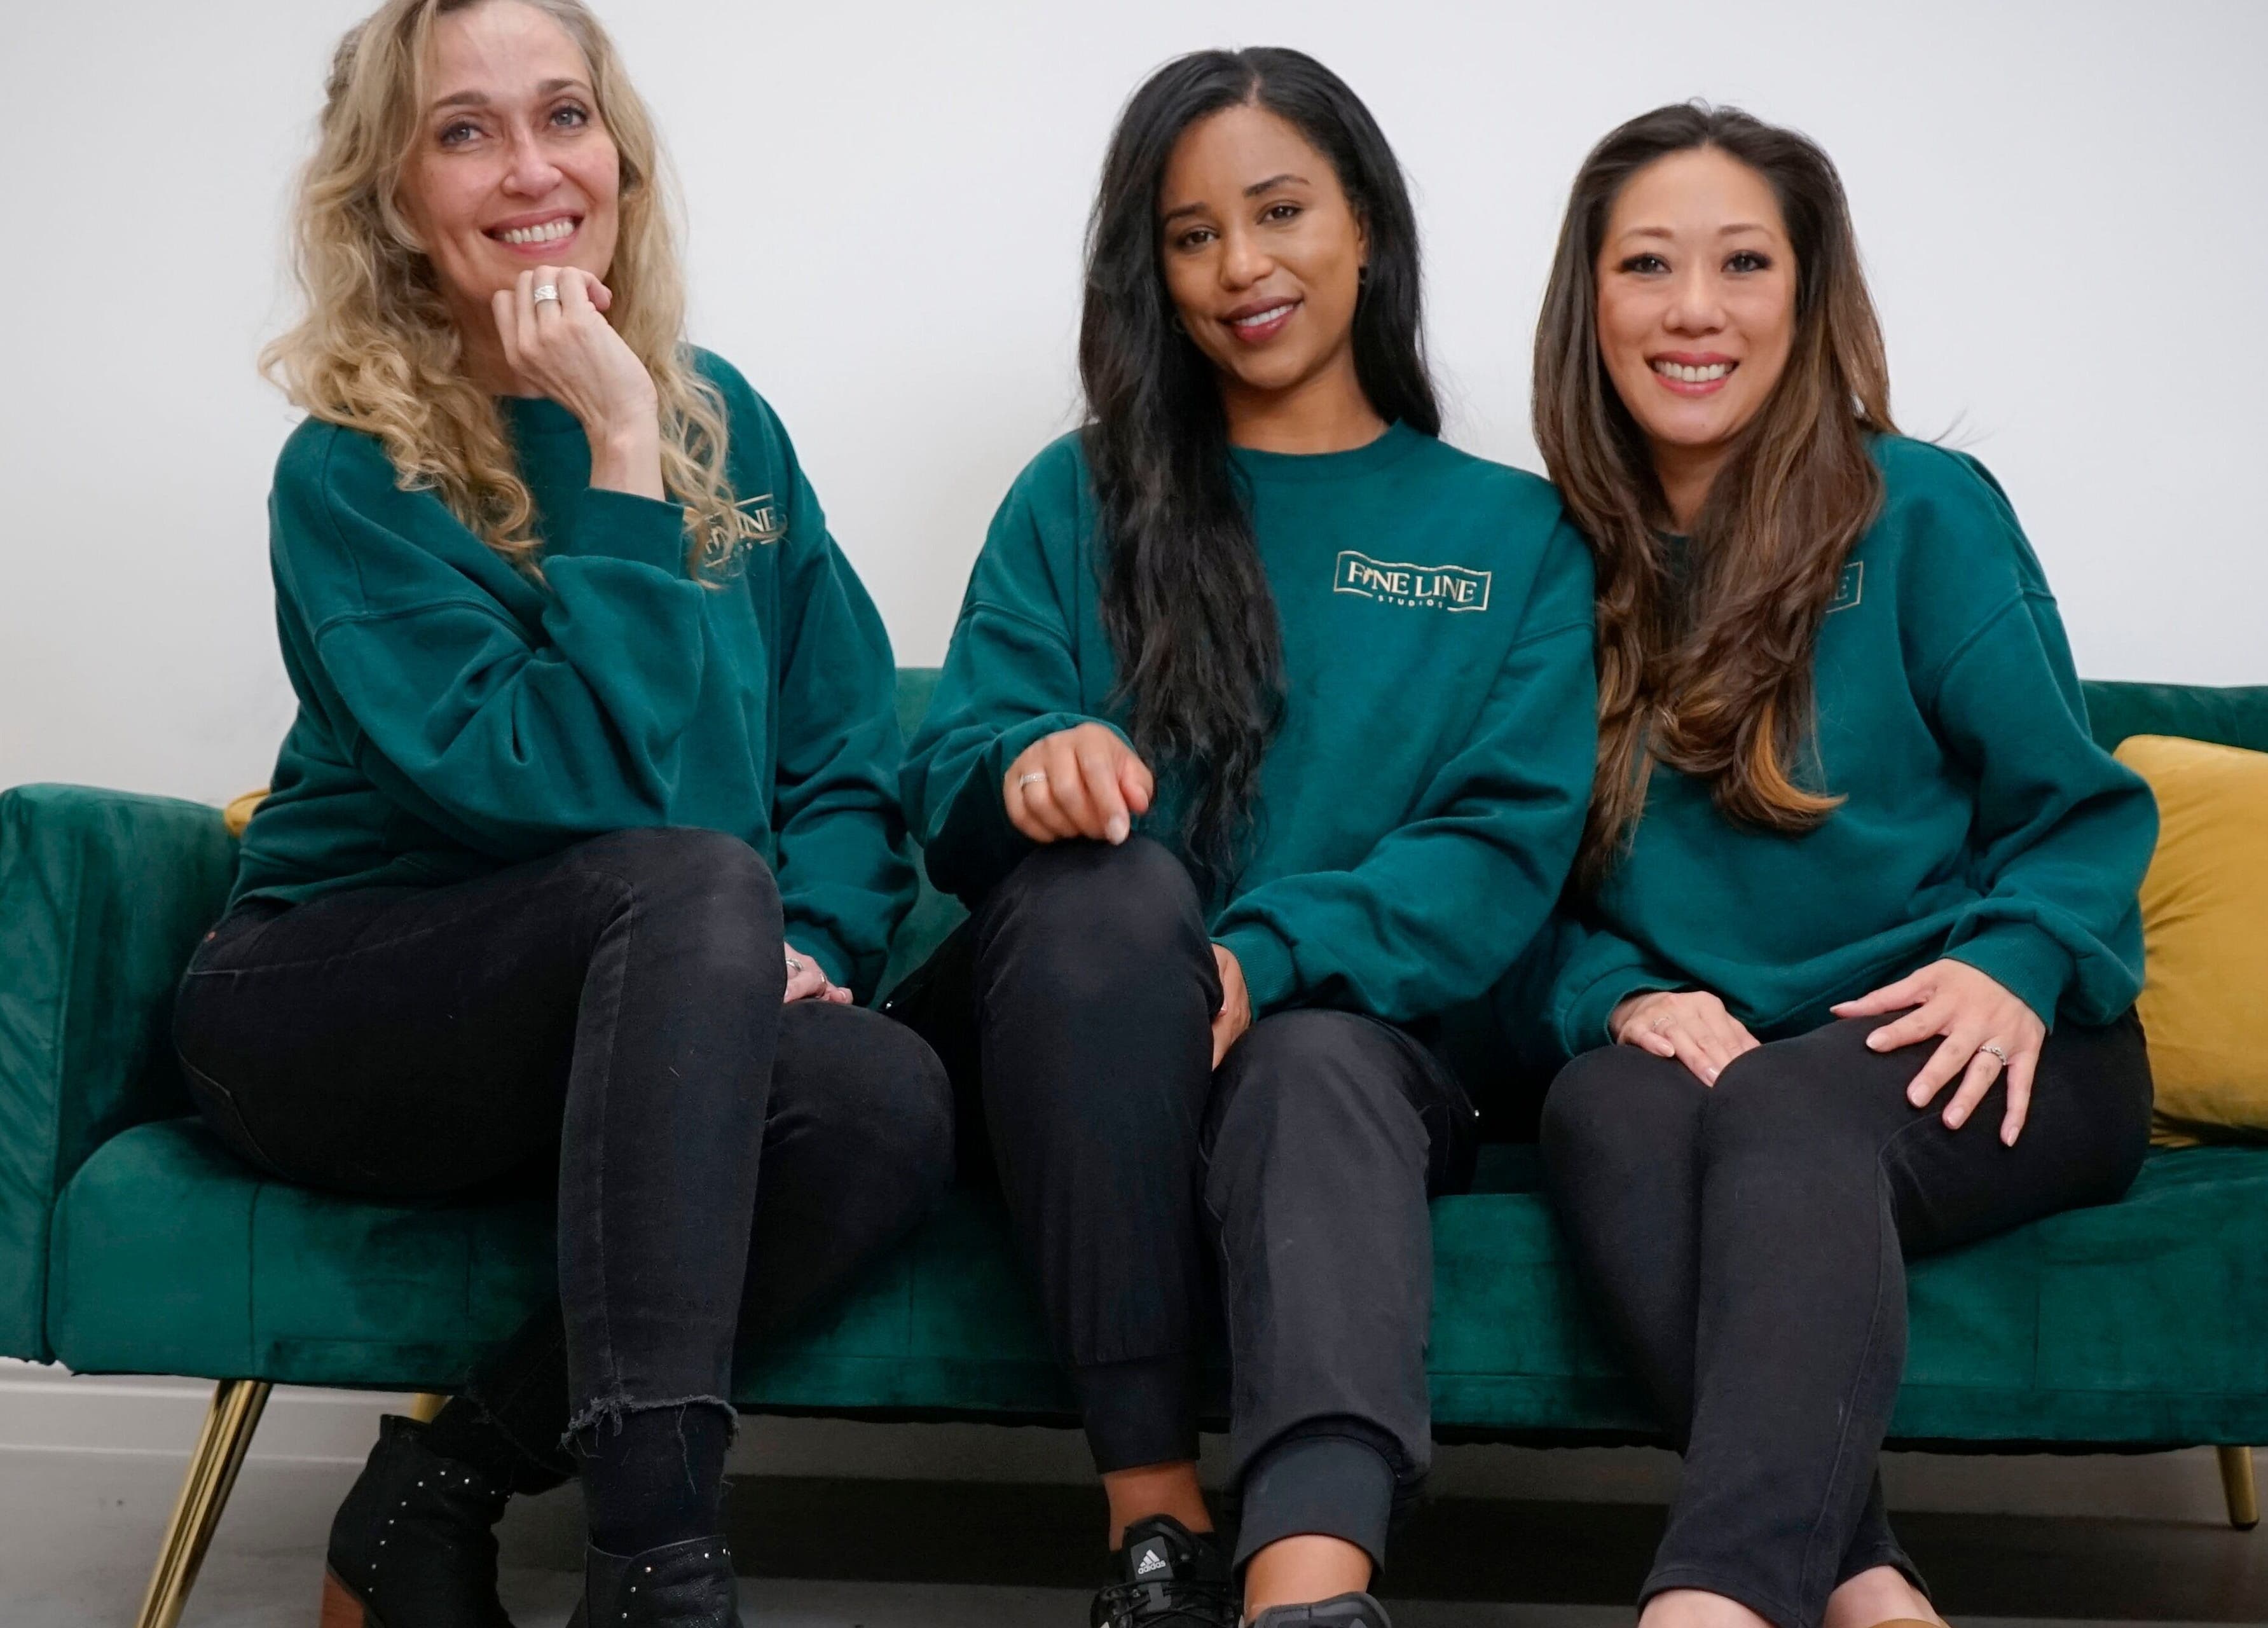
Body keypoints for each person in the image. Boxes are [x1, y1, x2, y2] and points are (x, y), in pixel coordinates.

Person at [170, 3, 951, 1625]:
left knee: (880, 1099)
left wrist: (806, 940)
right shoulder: (349, 470)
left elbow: (840, 749)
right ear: (390, 190)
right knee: (681, 886)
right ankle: (657, 1570)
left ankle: (434, 1491)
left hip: (645, 987)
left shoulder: (721, 418)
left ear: (620, 157)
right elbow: (561, 787)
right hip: (338, 1005)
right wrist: (613, 444)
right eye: (464, 130)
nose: (531, 167)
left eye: (564, 116)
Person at [895, 48, 1597, 1628]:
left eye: (1277, 212)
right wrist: (1026, 765)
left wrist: (1265, 958)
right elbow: (946, 770)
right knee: (1107, 894)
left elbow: (1499, 849)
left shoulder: (1510, 536)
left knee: (1313, 1059)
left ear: (1364, 227)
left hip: (1350, 1045)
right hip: (1066, 1039)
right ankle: (1150, 1521)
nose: (1239, 268)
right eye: (1190, 234)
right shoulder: (1075, 497)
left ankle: (1307, 1589)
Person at [1523, 103, 2158, 1628]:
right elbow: (1505, 874)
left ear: (1806, 296)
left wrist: (2015, 961)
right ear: (1586, 300)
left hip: (1994, 1034)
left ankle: (1716, 1598)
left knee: (1786, 1102)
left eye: (1742, 262)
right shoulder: (1546, 557)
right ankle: (1868, 1585)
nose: (1693, 308)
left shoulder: (1920, 509)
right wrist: (1614, 994)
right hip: (1729, 1050)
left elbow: (2077, 810)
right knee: (1603, 1106)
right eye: (1646, 265)